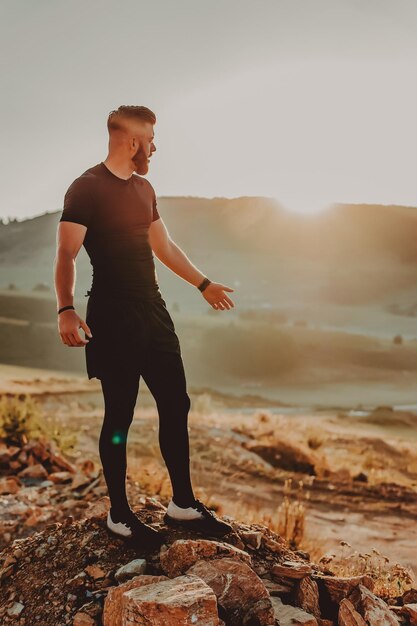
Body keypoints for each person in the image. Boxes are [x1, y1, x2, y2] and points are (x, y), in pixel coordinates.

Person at [54, 105, 235, 547]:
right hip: (112, 316)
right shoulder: (86, 188)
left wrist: (203, 283)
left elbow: (164, 245)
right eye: (151, 138)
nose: (155, 146)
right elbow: (66, 254)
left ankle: (183, 505)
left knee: (176, 401)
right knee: (121, 413)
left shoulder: (144, 188)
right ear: (132, 141)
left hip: (153, 311)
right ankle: (119, 513)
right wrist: (66, 309)